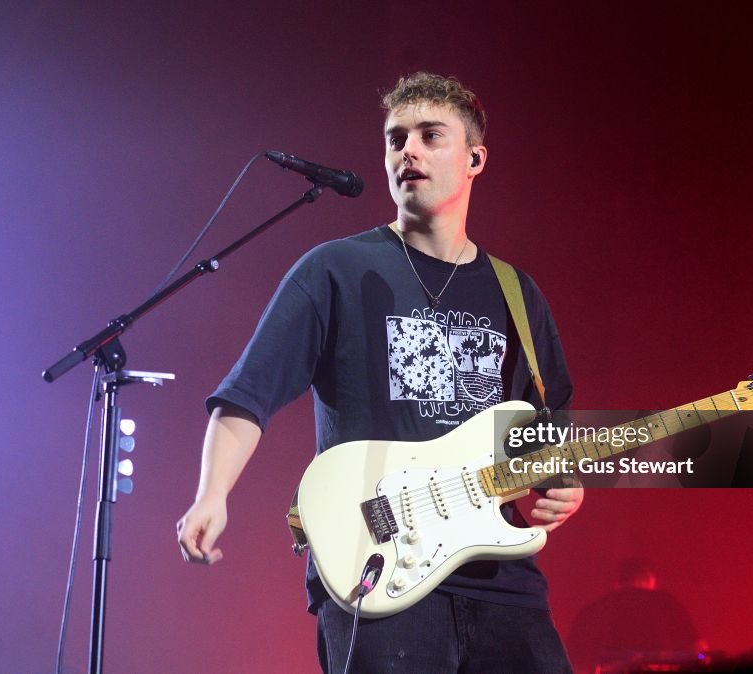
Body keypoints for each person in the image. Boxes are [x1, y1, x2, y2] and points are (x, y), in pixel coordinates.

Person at [177, 72, 583, 673]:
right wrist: (212, 493)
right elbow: (247, 394)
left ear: (475, 158)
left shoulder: (516, 294)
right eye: (396, 139)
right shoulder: (336, 269)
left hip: (500, 580)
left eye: (429, 135)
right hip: (377, 568)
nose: (408, 151)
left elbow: (551, 428)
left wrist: (563, 487)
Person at [566, 558, 707, 674]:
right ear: (649, 578)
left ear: (619, 583)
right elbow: (699, 649)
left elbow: (572, 655)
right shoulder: (666, 602)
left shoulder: (599, 607)